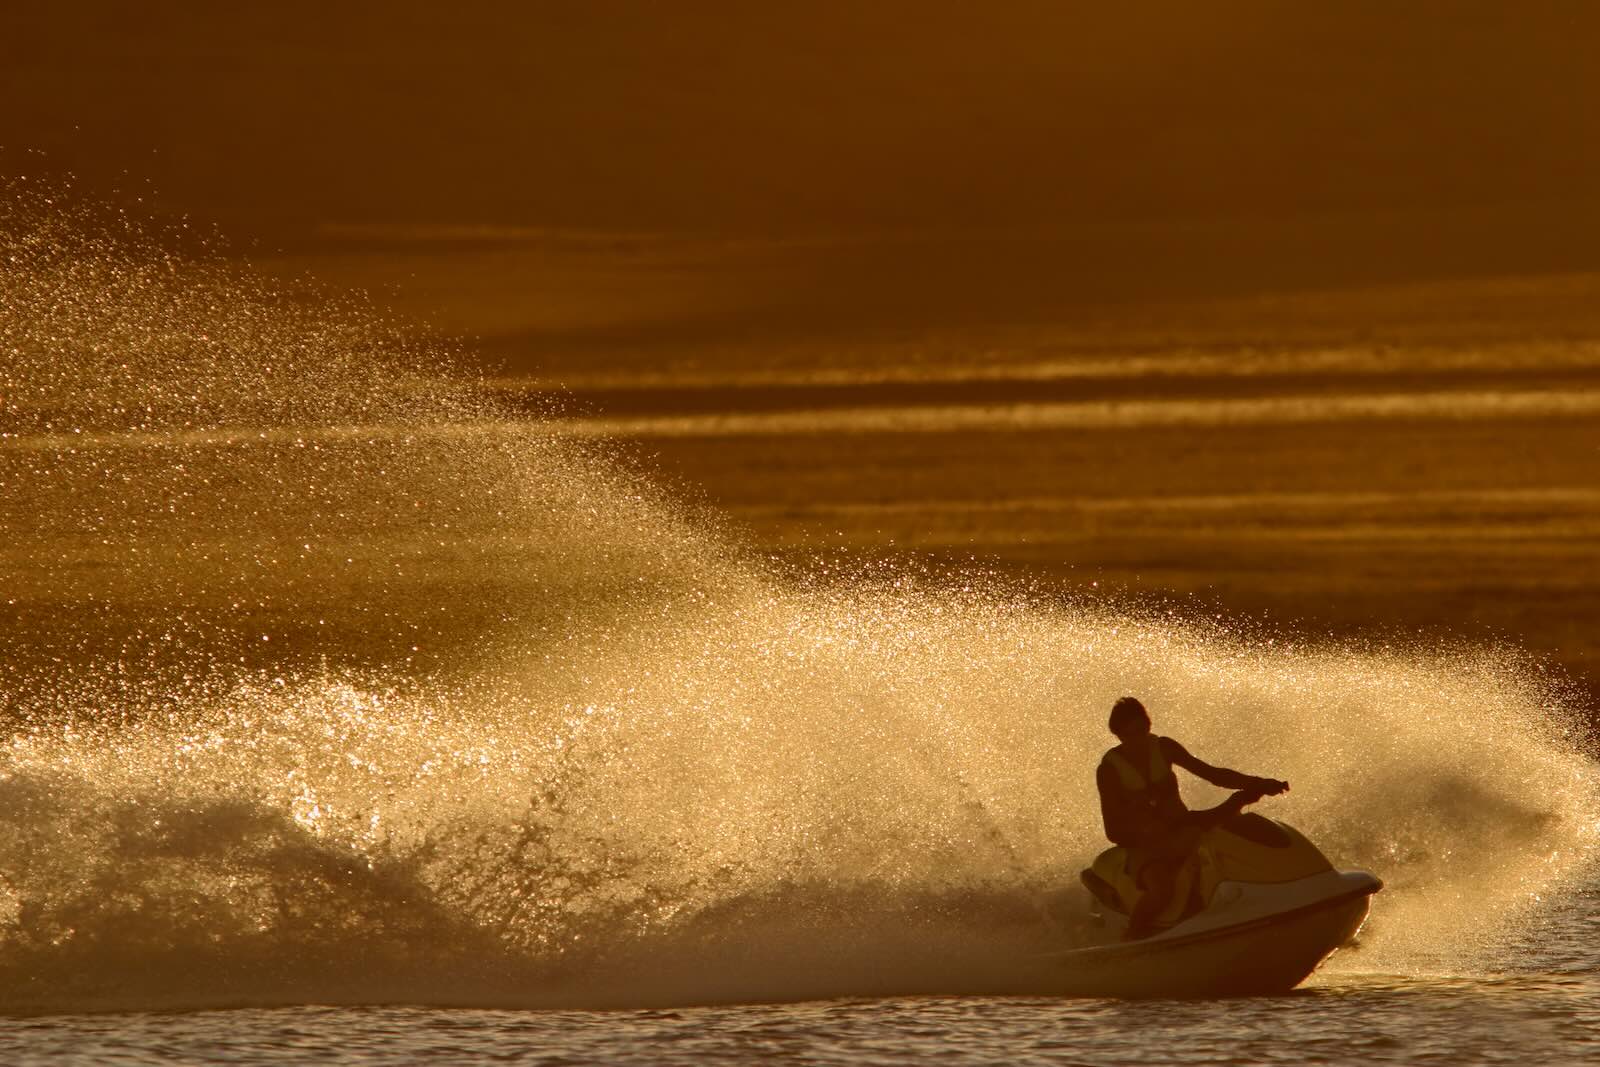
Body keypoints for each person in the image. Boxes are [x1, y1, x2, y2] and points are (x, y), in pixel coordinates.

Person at [1097, 695, 1289, 940]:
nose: (1142, 738)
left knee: (1232, 819)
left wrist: (1258, 782)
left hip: (1182, 828)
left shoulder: (1164, 747)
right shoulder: (1109, 770)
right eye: (1134, 733)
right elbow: (1112, 831)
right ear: (1119, 735)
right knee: (1162, 891)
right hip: (1145, 846)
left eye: (1145, 728)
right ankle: (1132, 938)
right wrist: (1145, 831)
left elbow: (1213, 775)